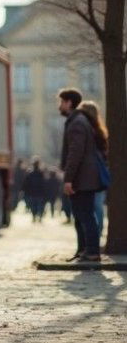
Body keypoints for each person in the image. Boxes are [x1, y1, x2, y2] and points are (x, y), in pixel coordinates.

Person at [58, 88, 102, 262]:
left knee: (85, 215)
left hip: (82, 179)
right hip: (84, 178)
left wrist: (68, 179)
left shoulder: (77, 122)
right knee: (82, 214)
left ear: (69, 102)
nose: (59, 105)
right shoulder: (78, 120)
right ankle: (84, 250)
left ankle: (91, 251)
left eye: (61, 102)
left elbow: (75, 153)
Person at [77, 101, 108, 235]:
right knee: (97, 205)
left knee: (93, 205)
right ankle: (98, 230)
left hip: (92, 173)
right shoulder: (100, 131)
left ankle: (96, 232)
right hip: (99, 173)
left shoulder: (89, 130)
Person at [21, 158, 48, 223]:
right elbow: (44, 183)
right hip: (39, 193)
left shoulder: (30, 173)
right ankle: (39, 217)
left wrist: (24, 191)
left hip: (32, 193)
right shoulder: (41, 173)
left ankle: (34, 217)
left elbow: (26, 183)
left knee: (34, 206)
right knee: (39, 206)